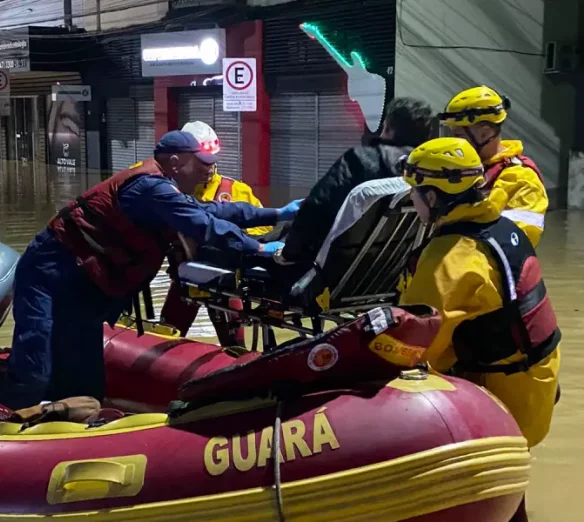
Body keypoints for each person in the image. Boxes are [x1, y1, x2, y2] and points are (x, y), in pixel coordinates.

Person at [0, 130, 301, 409]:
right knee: (35, 371)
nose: (209, 169)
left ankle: (68, 423)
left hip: (83, 283)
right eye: (201, 162)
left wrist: (275, 213)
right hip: (48, 272)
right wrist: (258, 248)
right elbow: (204, 225)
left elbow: (215, 210)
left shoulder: (168, 189)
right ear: (177, 162)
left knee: (86, 380)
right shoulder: (151, 189)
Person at [397, 137, 561, 521]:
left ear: (434, 198)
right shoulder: (501, 225)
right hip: (539, 378)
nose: (412, 202)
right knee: (509, 489)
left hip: (503, 395)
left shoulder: (451, 259)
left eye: (415, 193)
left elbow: (414, 348)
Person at [281, 97, 435, 263]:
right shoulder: (431, 170)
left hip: (334, 269)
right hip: (393, 268)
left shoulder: (360, 160)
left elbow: (316, 209)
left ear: (388, 128)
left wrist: (287, 253)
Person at [160, 121, 272, 346]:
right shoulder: (166, 192)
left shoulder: (237, 191)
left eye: (212, 161)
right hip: (185, 279)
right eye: (202, 162)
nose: (209, 168)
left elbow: (264, 230)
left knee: (236, 348)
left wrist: (236, 236)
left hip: (227, 281)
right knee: (164, 338)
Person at [438, 85, 548, 247]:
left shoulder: (523, 180)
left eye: (458, 135)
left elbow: (514, 243)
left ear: (485, 133)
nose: (454, 143)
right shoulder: (463, 169)